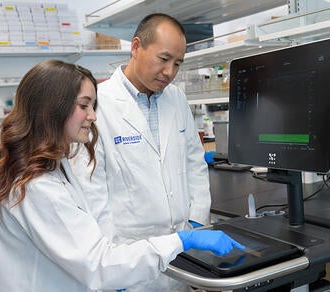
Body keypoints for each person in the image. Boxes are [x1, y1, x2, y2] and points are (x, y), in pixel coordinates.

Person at [0, 60, 244, 291]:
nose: (93, 116)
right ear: (52, 108)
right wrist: (182, 240)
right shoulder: (36, 187)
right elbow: (97, 264)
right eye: (84, 105)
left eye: (93, 105)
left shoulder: (55, 165)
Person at [70, 13, 213, 291]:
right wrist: (110, 266)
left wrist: (195, 220)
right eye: (163, 59)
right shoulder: (99, 104)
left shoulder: (177, 98)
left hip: (180, 250)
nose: (170, 72)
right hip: (130, 254)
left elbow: (194, 162)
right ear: (136, 47)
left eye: (178, 63)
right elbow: (91, 190)